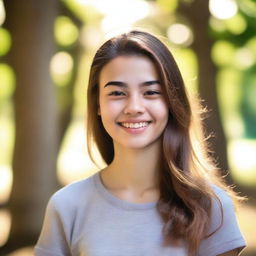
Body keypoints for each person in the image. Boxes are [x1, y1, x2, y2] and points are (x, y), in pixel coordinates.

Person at [34, 30, 246, 256]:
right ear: (97, 104)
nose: (134, 107)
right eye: (117, 93)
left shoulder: (211, 207)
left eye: (151, 92)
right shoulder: (67, 206)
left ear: (172, 103)